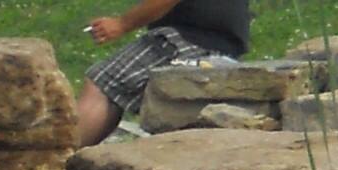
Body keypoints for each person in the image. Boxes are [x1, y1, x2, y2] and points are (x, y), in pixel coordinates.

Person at [74, 0, 252, 143]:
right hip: (225, 47)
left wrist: (121, 24)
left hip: (185, 38)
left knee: (103, 82)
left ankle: (58, 159)